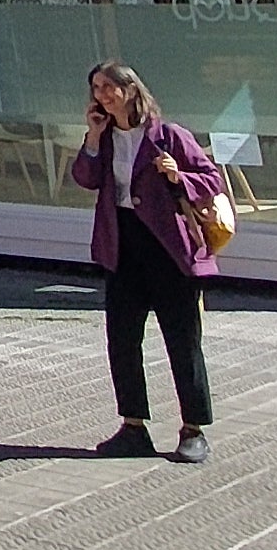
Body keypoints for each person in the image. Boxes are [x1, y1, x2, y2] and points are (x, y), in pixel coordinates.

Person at [67, 60, 229, 462]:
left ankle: (193, 429)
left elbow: (212, 180)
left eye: (109, 87)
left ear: (131, 90)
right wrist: (91, 135)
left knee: (182, 341)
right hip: (121, 243)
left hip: (167, 248)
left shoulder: (168, 136)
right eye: (97, 88)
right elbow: (85, 179)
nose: (102, 94)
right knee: (122, 341)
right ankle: (133, 426)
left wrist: (179, 177)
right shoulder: (103, 139)